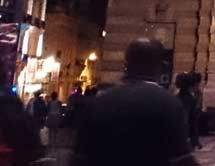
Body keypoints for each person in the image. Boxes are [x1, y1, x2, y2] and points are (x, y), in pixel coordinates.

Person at [71, 37, 197, 166]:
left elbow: (79, 158)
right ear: (159, 66)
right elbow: (181, 159)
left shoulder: (98, 103)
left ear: (125, 64)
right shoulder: (169, 104)